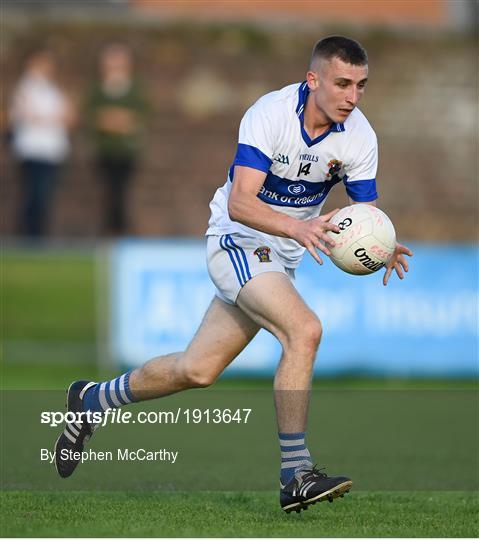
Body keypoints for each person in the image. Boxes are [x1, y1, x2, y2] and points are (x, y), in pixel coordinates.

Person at [54, 36, 412, 513]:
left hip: (279, 257)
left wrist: (380, 245)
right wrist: (296, 226)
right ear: (314, 80)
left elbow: (363, 215)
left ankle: (92, 399)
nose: (353, 96)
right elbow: (242, 202)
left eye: (361, 85)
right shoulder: (270, 114)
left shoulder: (361, 137)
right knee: (304, 331)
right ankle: (295, 473)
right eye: (343, 83)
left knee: (197, 370)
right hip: (236, 240)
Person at [9, 49, 76, 237]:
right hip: (32, 150)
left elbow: (70, 117)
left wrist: (50, 118)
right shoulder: (24, 88)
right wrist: (52, 118)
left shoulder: (54, 90)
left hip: (52, 151)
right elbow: (29, 115)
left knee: (44, 195)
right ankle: (29, 235)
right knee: (33, 194)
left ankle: (38, 234)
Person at [85, 42, 148, 235]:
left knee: (122, 193)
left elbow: (139, 117)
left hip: (126, 152)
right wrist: (117, 121)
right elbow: (93, 116)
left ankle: (120, 230)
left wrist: (114, 120)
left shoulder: (134, 87)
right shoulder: (98, 88)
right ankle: (109, 230)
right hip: (105, 151)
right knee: (107, 193)